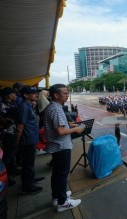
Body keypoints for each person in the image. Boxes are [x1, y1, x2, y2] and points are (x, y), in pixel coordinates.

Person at [44, 84, 84, 212]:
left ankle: (57, 196)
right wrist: (76, 129)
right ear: (56, 95)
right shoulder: (56, 109)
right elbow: (60, 131)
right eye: (65, 93)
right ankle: (62, 203)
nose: (67, 95)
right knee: (62, 174)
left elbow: (59, 126)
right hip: (61, 146)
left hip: (57, 146)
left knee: (57, 173)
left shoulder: (53, 107)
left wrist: (69, 124)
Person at [15, 86, 45, 195]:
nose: (36, 95)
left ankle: (31, 179)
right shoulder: (23, 107)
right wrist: (17, 141)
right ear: (26, 95)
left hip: (32, 138)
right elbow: (20, 127)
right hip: (27, 140)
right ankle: (27, 187)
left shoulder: (29, 105)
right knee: (27, 164)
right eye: (33, 93)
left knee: (30, 162)